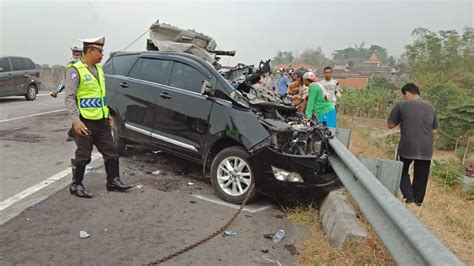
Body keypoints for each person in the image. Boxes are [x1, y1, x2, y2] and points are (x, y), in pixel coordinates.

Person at [64, 36, 133, 198]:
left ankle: (113, 181)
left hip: (101, 121)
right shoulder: (75, 70)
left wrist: (107, 114)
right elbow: (69, 98)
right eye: (100, 51)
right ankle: (76, 185)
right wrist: (76, 121)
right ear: (89, 51)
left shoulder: (99, 69)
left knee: (111, 152)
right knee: (84, 155)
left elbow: (101, 96)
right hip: (85, 121)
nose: (102, 55)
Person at [387, 83, 438, 206]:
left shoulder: (401, 105)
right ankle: (418, 203)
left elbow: (390, 125)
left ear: (408, 93)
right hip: (426, 148)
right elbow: (434, 130)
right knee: (421, 176)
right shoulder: (430, 107)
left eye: (405, 95)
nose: (405, 98)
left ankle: (409, 198)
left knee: (400, 170)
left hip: (407, 145)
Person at [51, 45, 83, 141]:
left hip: (84, 94)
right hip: (73, 95)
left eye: (78, 53)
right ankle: (74, 132)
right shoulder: (69, 66)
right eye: (74, 52)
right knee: (76, 114)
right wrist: (57, 91)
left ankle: (73, 132)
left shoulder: (86, 65)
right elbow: (65, 81)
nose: (76, 54)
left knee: (83, 114)